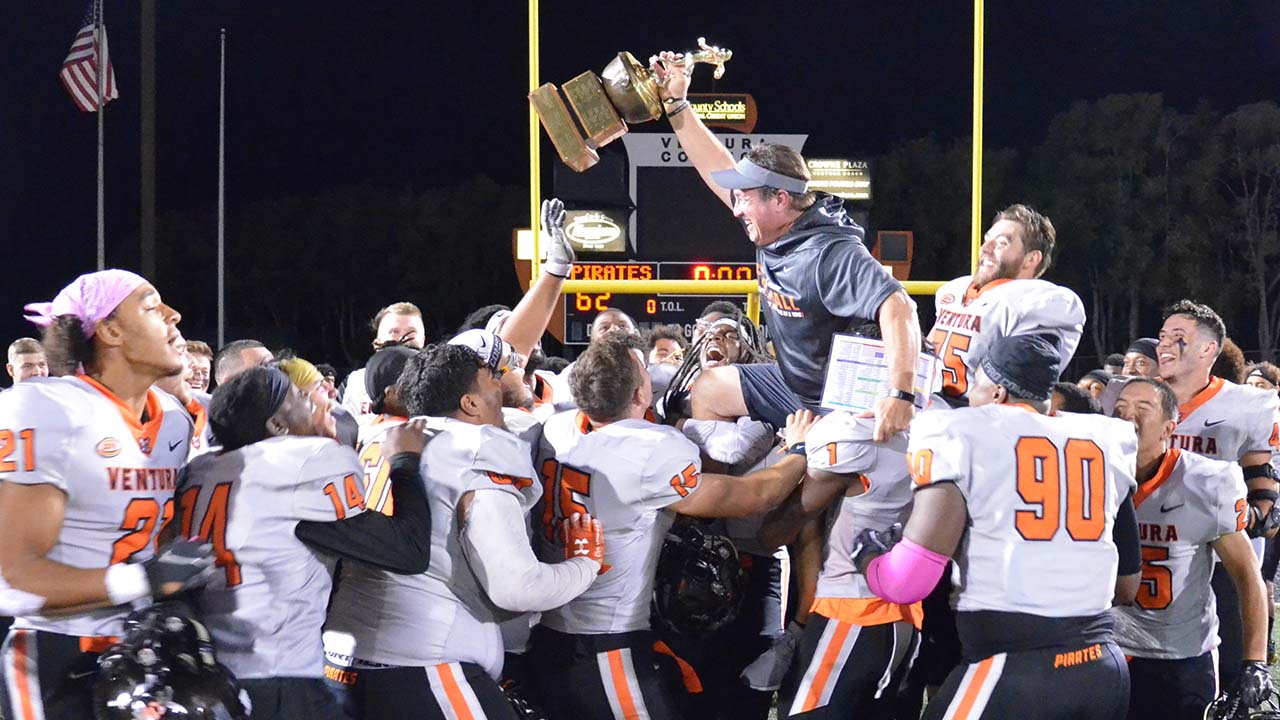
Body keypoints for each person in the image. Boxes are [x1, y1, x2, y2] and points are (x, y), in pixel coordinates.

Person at [529, 332, 815, 719]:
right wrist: (798, 449)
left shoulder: (553, 429)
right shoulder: (650, 447)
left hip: (547, 635)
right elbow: (753, 497)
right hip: (604, 642)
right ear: (637, 396)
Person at [855, 334, 1141, 720]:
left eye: (977, 384)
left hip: (1016, 666)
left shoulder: (962, 431)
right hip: (1103, 665)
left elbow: (907, 582)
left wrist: (868, 554)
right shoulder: (1105, 438)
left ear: (998, 393)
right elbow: (1126, 585)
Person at [322, 343, 605, 720]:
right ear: (469, 403)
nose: (500, 389)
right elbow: (517, 586)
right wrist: (584, 564)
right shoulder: (475, 448)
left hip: (342, 661)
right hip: (422, 663)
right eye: (492, 380)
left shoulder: (381, 440)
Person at [650, 52, 920, 442]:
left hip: (841, 396)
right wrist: (676, 104)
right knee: (707, 389)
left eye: (744, 197)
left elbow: (900, 306)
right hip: (794, 384)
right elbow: (713, 164)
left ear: (779, 200)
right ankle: (723, 491)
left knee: (809, 478)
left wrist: (900, 392)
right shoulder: (777, 222)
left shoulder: (829, 252)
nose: (735, 206)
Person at [0, 270, 216, 720]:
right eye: (152, 305)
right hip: (58, 653)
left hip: (144, 647)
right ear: (110, 330)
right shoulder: (47, 407)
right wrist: (144, 580)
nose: (174, 316)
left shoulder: (173, 420)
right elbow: (12, 579)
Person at [179, 366, 435, 718]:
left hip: (215, 678)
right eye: (299, 396)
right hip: (283, 679)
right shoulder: (307, 459)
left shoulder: (202, 469)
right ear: (277, 426)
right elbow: (408, 552)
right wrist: (405, 461)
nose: (318, 397)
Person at [1110, 378, 1272, 719]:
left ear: (1170, 427)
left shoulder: (1206, 482)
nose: (1128, 417)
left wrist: (1255, 661)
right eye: (1121, 408)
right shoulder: (1096, 474)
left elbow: (1247, 575)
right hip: (1109, 651)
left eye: (1142, 408)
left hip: (1179, 660)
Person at [757, 405, 920, 719]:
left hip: (850, 614)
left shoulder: (854, 437)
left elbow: (775, 532)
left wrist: (799, 451)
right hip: (904, 618)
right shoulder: (930, 429)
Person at [1155, 300, 1280, 689]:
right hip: (1147, 541)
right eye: (1162, 336)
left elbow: (1267, 504)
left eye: (1179, 338)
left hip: (1216, 552)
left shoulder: (1246, 405)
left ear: (1209, 349)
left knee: (1225, 673)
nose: (1164, 346)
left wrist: (1244, 518)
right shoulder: (1136, 398)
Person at [926, 204, 1085, 402]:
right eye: (986, 240)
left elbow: (1019, 392)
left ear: (1031, 259)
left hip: (981, 421)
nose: (985, 249)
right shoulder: (953, 291)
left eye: (1001, 243)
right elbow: (927, 353)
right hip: (931, 408)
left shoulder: (1038, 302)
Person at [341, 302, 427, 416]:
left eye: (411, 333)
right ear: (378, 341)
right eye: (394, 332)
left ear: (423, 340)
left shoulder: (439, 377)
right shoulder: (356, 382)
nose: (402, 338)